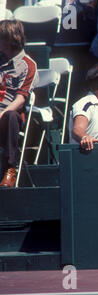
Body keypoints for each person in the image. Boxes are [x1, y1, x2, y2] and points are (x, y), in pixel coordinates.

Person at [0, 20, 38, 188]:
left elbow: (21, 98)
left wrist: (1, 113)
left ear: (9, 40)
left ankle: (10, 169)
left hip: (8, 115)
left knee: (11, 116)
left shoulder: (27, 65)